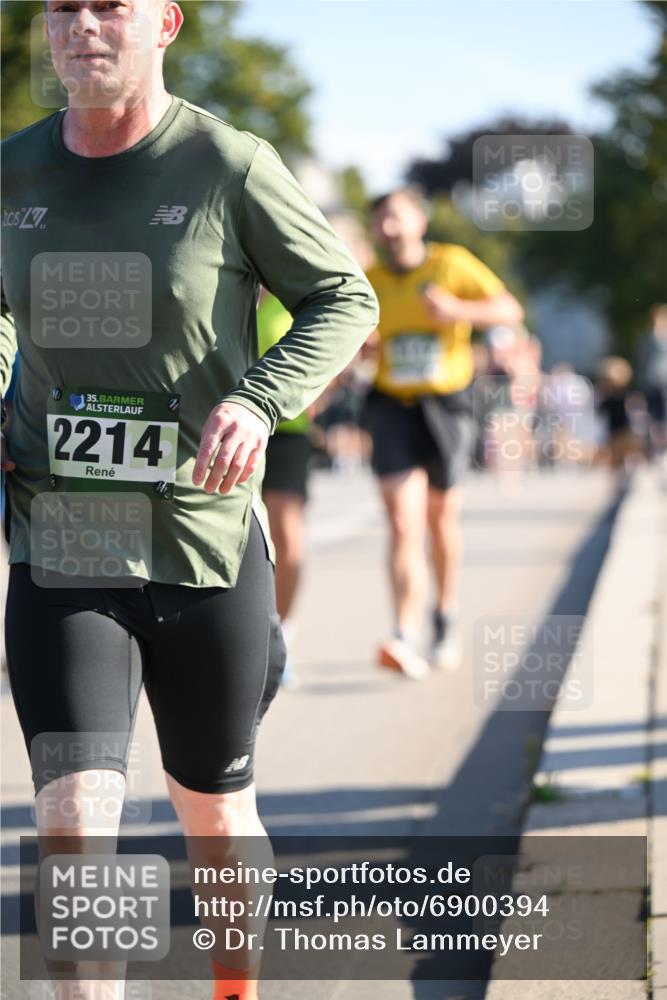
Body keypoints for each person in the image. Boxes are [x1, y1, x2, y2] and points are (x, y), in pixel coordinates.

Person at [0, 2, 379, 998]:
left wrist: (259, 402)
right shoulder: (14, 170)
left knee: (213, 814)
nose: (82, 25)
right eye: (62, 8)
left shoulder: (226, 165)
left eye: (108, 7)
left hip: (202, 543)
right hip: (63, 536)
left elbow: (345, 298)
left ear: (163, 24)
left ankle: (235, 983)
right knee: (76, 818)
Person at [363, 188, 523, 678]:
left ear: (419, 221)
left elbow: (509, 310)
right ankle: (404, 633)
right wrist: (365, 346)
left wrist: (458, 311)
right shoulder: (369, 278)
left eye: (395, 216)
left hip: (447, 404)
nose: (387, 226)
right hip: (392, 404)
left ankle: (445, 615)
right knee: (401, 521)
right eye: (379, 219)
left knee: (440, 518)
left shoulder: (451, 263)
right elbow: (357, 331)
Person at [257, 289, 312, 689]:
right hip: (217, 427)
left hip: (285, 433)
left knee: (286, 539)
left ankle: (281, 635)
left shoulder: (292, 296)